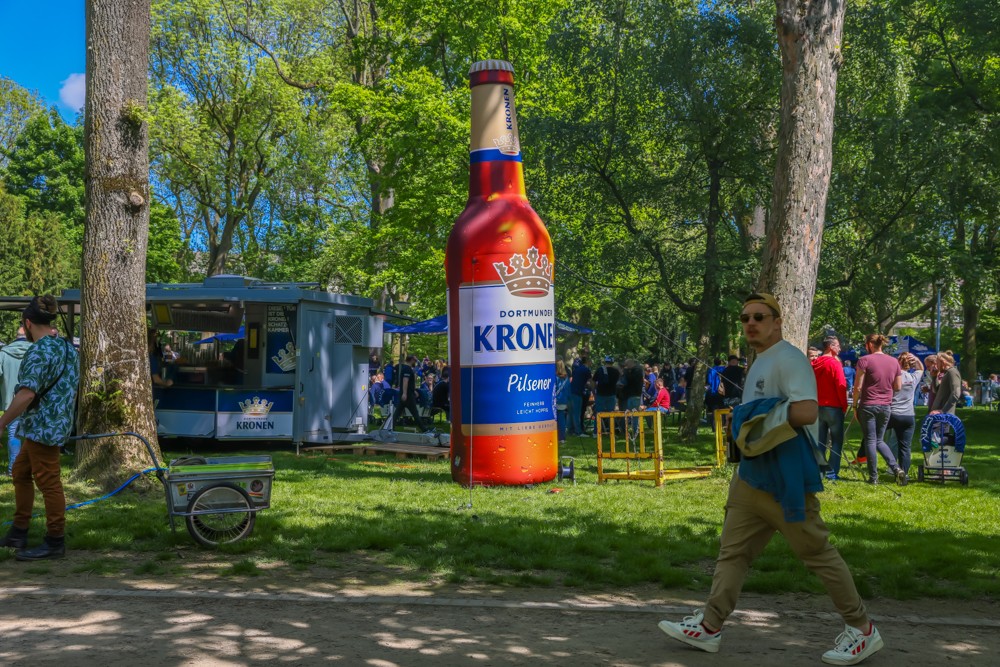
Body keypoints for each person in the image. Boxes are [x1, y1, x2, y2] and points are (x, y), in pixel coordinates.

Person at [658, 292, 883, 665]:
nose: (750, 323)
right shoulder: (761, 360)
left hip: (785, 476)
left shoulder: (789, 358)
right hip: (751, 476)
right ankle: (710, 627)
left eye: (759, 317)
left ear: (777, 322)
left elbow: (808, 411)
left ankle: (863, 630)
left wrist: (756, 416)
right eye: (745, 317)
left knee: (817, 553)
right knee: (732, 553)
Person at [0, 296, 80, 561]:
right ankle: (18, 531)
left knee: (49, 483)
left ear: (28, 322)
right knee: (21, 472)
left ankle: (55, 540)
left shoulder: (38, 351)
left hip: (42, 427)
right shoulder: (68, 349)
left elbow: (26, 394)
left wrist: (2, 423)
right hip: (56, 424)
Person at [853, 334, 905, 485]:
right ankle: (896, 468)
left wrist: (854, 405)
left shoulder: (864, 360)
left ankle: (873, 477)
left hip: (868, 404)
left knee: (870, 440)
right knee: (879, 440)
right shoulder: (894, 361)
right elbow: (898, 387)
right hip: (885, 405)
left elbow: (858, 386)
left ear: (869, 344)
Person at [812, 337, 848, 481]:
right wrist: (844, 405)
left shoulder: (814, 363)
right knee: (836, 441)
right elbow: (841, 385)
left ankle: (819, 471)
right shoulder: (834, 363)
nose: (840, 349)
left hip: (817, 405)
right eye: (838, 346)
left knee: (820, 441)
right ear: (831, 347)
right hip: (833, 406)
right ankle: (832, 472)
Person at [888, 353, 924, 484]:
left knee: (875, 439)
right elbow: (921, 369)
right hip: (908, 416)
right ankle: (904, 474)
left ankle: (891, 468)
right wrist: (917, 359)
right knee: (905, 447)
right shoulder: (913, 377)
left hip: (892, 413)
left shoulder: (893, 376)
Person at [1, 327, 32, 475]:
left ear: (16, 336)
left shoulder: (4, 353)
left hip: (11, 401)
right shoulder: (36, 351)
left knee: (13, 434)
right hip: (34, 401)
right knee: (33, 434)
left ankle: (14, 469)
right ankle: (33, 467)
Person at [395, 354, 430, 432]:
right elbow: (405, 381)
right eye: (415, 360)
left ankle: (391, 426)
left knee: (397, 412)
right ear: (411, 360)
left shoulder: (407, 368)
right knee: (415, 413)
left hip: (407, 394)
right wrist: (405, 393)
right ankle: (423, 429)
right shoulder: (407, 369)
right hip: (407, 395)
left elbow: (409, 383)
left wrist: (413, 391)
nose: (416, 362)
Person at [593, 355, 620, 435]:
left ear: (605, 361)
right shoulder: (616, 371)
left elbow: (593, 381)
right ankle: (612, 431)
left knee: (598, 413)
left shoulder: (600, 370)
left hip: (600, 394)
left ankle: (596, 432)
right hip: (611, 394)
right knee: (611, 414)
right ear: (612, 362)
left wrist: (594, 391)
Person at [568, 355, 592, 436]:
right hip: (577, 393)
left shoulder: (575, 370)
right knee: (577, 413)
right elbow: (591, 382)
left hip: (570, 392)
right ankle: (578, 431)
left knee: (570, 412)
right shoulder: (586, 370)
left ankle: (570, 430)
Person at [554, 360, 570, 444]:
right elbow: (569, 391)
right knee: (562, 421)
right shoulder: (566, 379)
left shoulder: (554, 377)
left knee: (554, 421)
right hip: (563, 401)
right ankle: (562, 438)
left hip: (555, 401)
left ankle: (554, 437)